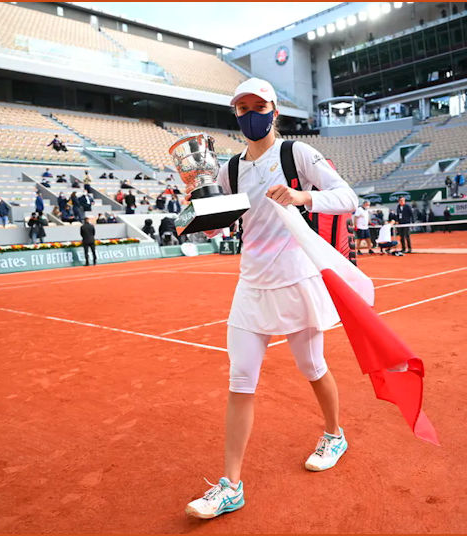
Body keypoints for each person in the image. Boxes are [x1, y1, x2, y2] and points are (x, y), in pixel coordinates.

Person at [184, 78, 358, 520]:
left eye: (257, 106)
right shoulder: (229, 169)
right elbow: (219, 225)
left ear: (274, 110)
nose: (249, 114)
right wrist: (202, 216)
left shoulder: (296, 154)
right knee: (240, 380)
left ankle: (335, 434)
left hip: (297, 279)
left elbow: (348, 198)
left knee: (312, 367)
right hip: (251, 284)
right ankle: (230, 485)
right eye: (241, 108)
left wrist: (303, 196)